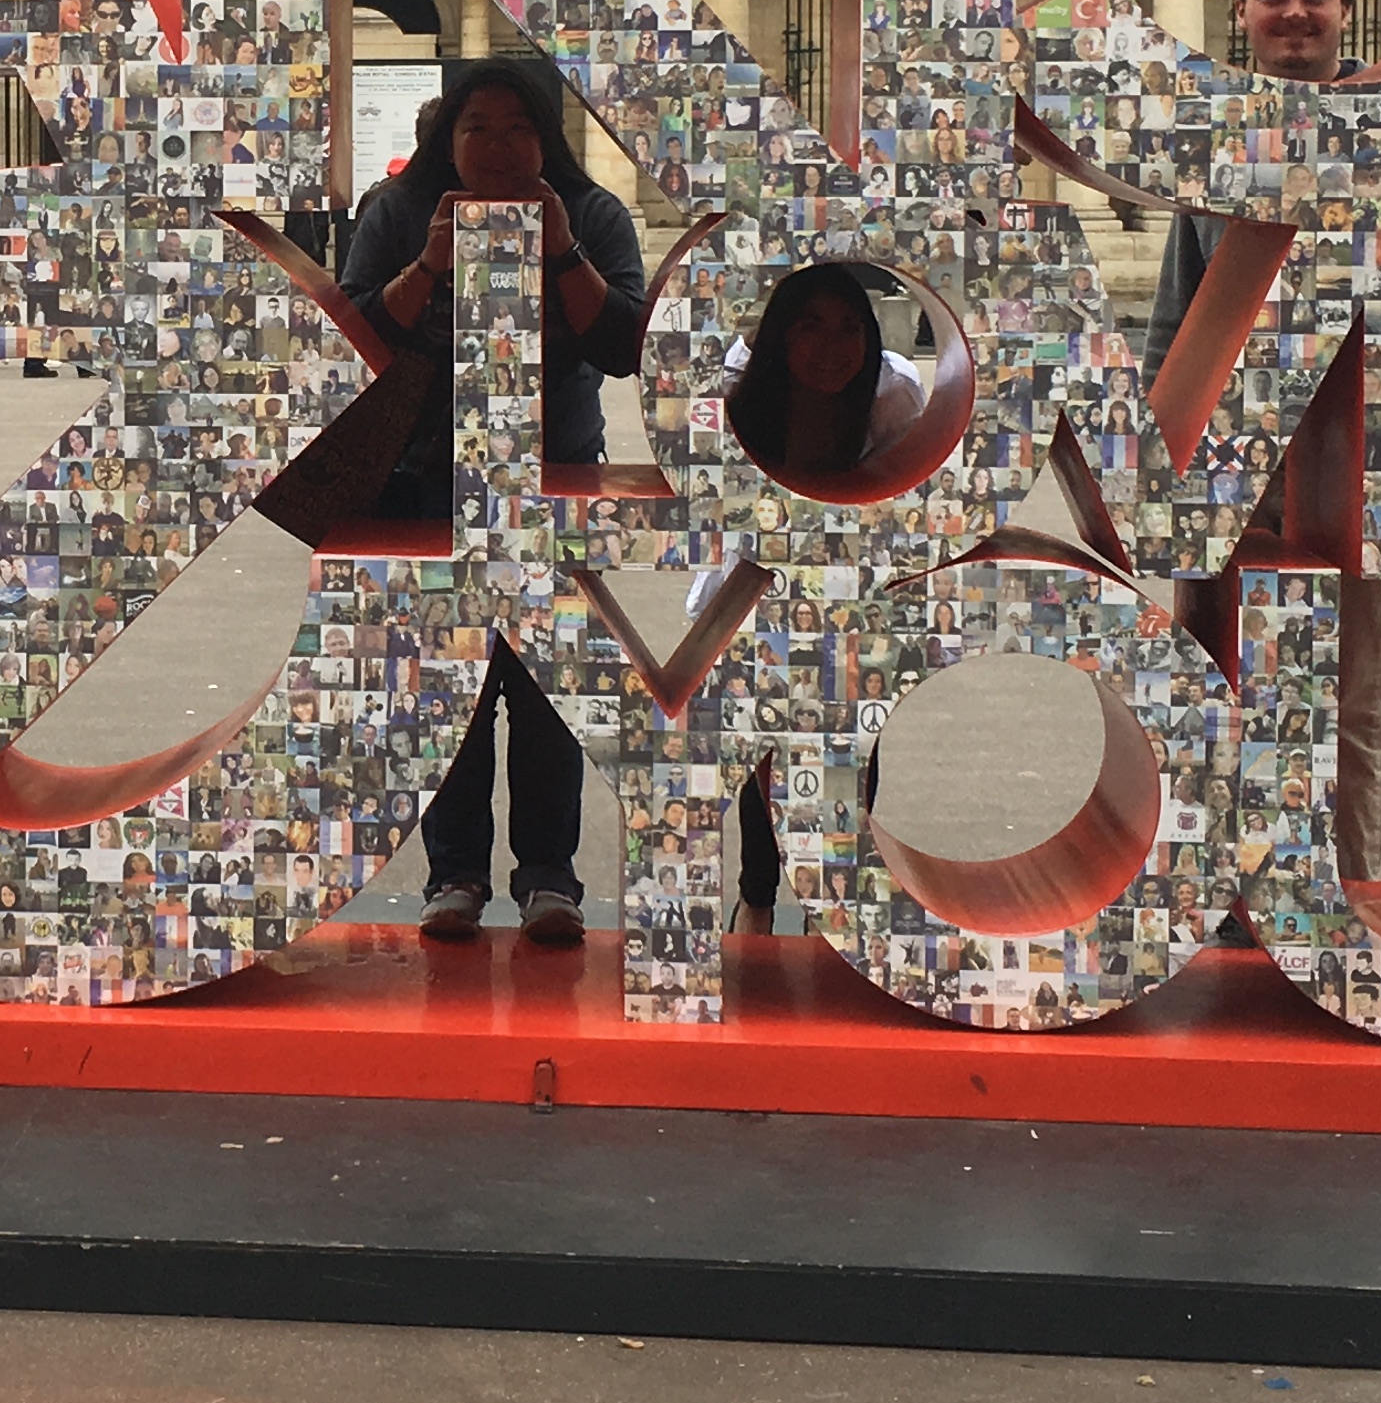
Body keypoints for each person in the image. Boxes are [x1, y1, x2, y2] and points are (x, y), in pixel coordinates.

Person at [1141, 0, 1381, 885]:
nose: (1295, 10)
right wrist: (1152, 456)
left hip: (1361, 460)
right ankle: (1220, 897)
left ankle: (1342, 894)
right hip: (1232, 464)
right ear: (1243, 12)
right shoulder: (1219, 146)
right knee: (1214, 685)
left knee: (1352, 698)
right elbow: (1179, 310)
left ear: (1346, 10)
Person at [333, 56, 648, 944]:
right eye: (478, 128)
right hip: (422, 485)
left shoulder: (591, 214)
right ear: (447, 137)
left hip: (550, 480)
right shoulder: (397, 213)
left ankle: (552, 876)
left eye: (519, 128)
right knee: (450, 693)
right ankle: (456, 874)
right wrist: (429, 263)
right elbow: (354, 334)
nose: (500, 146)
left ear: (547, 138)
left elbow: (626, 343)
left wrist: (560, 249)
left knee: (546, 694)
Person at [709, 262, 934, 914]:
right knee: (759, 739)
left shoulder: (891, 393)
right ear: (780, 332)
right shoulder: (737, 390)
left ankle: (835, 902)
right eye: (810, 326)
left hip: (852, 584)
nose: (832, 348)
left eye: (848, 329)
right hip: (755, 579)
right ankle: (756, 895)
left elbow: (909, 503)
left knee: (854, 738)